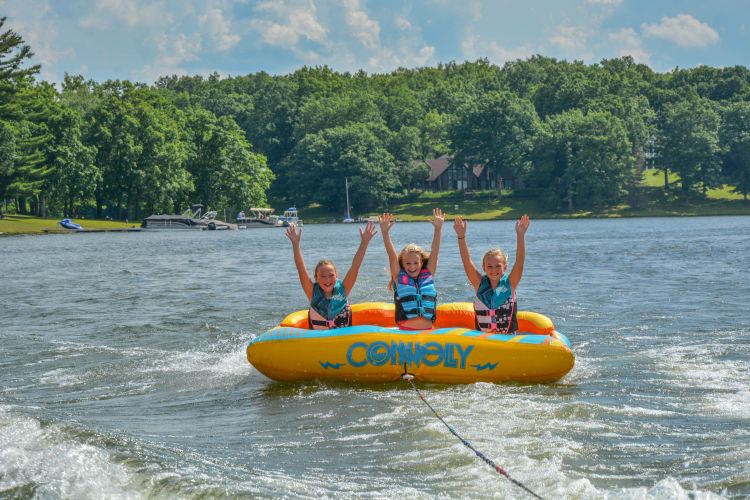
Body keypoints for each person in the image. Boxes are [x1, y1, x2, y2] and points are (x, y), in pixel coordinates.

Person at [285, 221, 377, 330]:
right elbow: (301, 269)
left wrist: (364, 243)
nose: (327, 279)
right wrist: (295, 245)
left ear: (336, 276)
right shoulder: (312, 292)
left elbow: (355, 267)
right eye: (323, 276)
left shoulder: (343, 289)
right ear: (316, 278)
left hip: (341, 341)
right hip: (319, 341)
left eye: (331, 275)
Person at [453, 214, 530, 334]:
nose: (493, 270)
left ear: (505, 266)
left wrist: (521, 235)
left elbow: (520, 262)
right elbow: (467, 262)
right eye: (489, 266)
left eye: (498, 266)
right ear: (483, 267)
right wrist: (461, 236)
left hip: (507, 341)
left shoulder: (510, 284)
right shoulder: (479, 284)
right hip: (485, 343)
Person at [380, 208, 444, 330]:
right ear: (402, 264)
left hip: (428, 332)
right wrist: (385, 233)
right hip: (406, 333)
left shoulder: (428, 273)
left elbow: (435, 252)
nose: (412, 266)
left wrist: (438, 229)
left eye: (416, 262)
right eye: (408, 263)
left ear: (421, 262)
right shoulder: (398, 277)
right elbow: (392, 255)